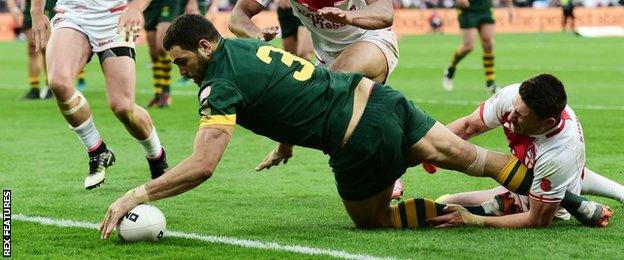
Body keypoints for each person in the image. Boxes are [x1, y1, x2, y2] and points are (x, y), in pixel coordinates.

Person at [99, 15, 612, 238]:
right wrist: (285, 140)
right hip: (382, 99)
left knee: (375, 222)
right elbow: (286, 88)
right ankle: (572, 201)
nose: (185, 72)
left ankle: (459, 219)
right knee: (478, 159)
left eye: (185, 62)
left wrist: (136, 193)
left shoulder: (219, 82)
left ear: (207, 48)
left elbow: (202, 165)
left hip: (358, 140)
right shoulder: (245, 45)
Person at [228, 0, 405, 199]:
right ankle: (405, 152)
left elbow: (385, 13)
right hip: (327, 60)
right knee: (316, 106)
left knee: (336, 85)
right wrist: (256, 34)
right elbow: (237, 16)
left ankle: (387, 167)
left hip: (374, 41)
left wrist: (349, 16)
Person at [427, 74, 621, 228]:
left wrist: (474, 219)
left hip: (542, 197)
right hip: (533, 174)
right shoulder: (513, 97)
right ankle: (581, 198)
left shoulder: (560, 153)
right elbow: (469, 126)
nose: (510, 116)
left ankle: (567, 199)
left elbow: (537, 220)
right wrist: (430, 145)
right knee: (445, 202)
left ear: (547, 123)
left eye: (520, 116)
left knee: (445, 205)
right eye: (514, 108)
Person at [30, 0, 168, 189]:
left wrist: (135, 8)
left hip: (118, 18)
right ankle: (97, 150)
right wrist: (36, 11)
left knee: (123, 107)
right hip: (71, 15)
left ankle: (157, 158)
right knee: (58, 82)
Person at [442, 0, 513, 93]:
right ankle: (450, 69)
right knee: (468, 46)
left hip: (485, 6)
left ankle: (490, 83)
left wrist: (510, 7)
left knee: (488, 44)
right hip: (468, 9)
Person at [144, 0, 200, 108]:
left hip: (170, 2)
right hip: (149, 4)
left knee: (161, 47)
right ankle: (157, 93)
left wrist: (192, 2)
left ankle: (166, 91)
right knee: (154, 53)